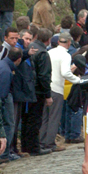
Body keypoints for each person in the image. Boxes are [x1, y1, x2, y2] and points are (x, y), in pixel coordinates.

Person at [40, 32, 78, 153]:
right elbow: (65, 72)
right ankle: (50, 143)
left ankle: (41, 141)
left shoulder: (49, 52)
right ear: (69, 43)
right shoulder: (66, 56)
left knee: (45, 117)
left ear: (58, 42)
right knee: (54, 117)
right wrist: (78, 80)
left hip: (46, 87)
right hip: (56, 88)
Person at [23, 28, 53, 156]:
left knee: (26, 119)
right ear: (49, 40)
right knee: (35, 120)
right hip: (38, 91)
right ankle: (34, 147)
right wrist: (48, 95)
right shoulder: (43, 53)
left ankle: (25, 146)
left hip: (27, 89)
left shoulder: (30, 48)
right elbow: (44, 76)